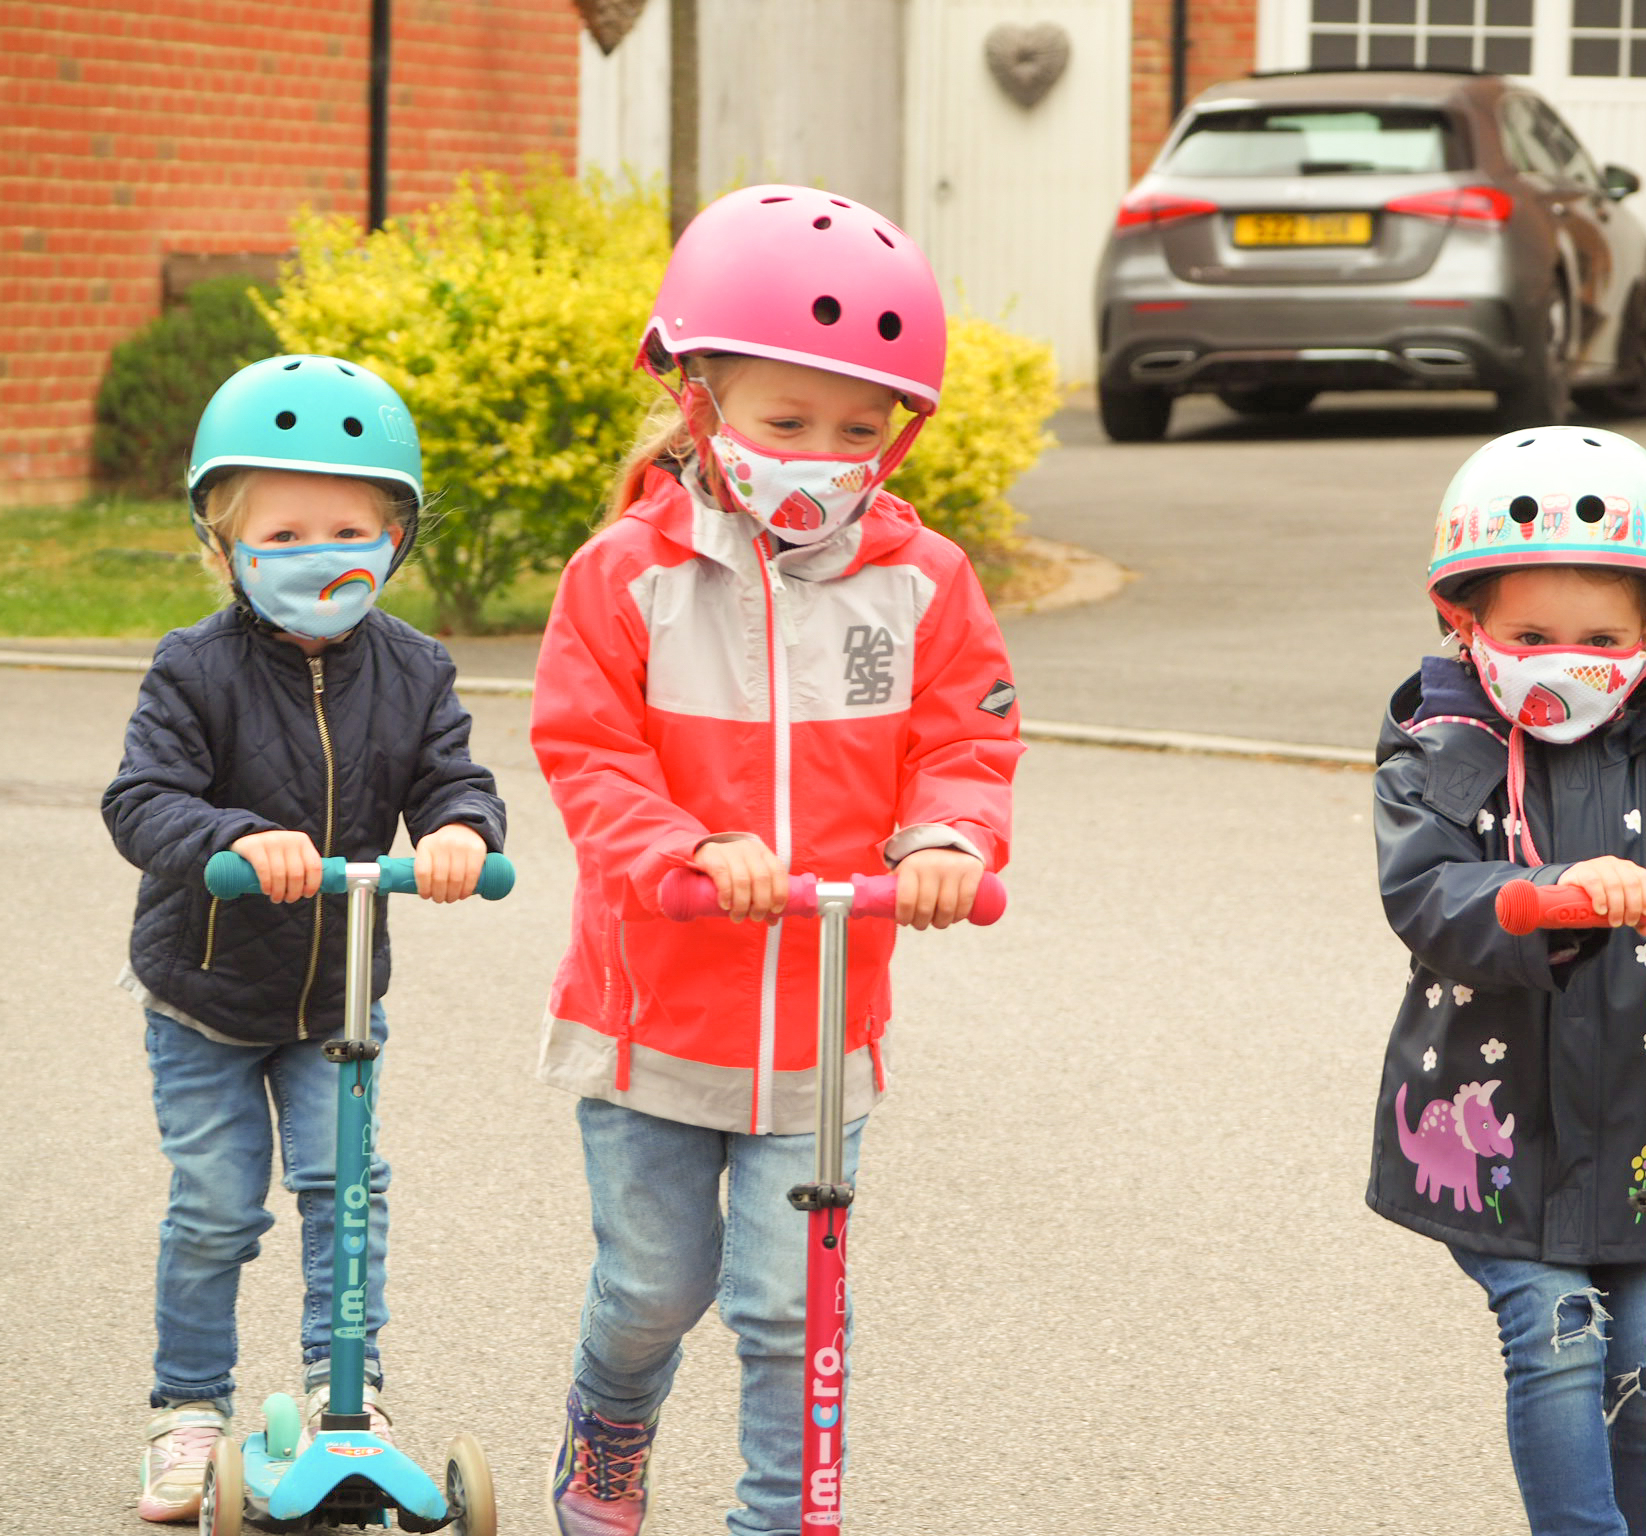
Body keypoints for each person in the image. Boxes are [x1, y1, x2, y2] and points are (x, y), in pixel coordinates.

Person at [530, 184, 1022, 1536]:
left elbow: (966, 743)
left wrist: (942, 840)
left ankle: (775, 1521)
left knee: (787, 1307)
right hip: (652, 1019)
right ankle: (609, 1431)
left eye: (858, 431)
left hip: (819, 1024)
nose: (821, 455)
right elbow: (588, 753)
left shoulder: (922, 582)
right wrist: (688, 846)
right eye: (785, 422)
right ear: (699, 403)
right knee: (652, 1290)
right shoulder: (624, 576)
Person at [1365, 426, 1646, 1536]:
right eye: (1529, 633)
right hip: (1496, 1136)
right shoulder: (1441, 753)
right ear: (1462, 622)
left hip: (1634, 1132)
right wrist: (1542, 893)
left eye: (1600, 635)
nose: (1563, 658)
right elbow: (1425, 896)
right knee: (1558, 1333)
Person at [101, 355, 506, 1524]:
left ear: (393, 538)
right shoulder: (194, 669)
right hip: (207, 996)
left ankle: (350, 1398)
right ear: (223, 549)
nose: (320, 552)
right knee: (220, 1205)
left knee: (347, 1192)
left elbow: (452, 778)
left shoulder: (417, 669)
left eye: (348, 526)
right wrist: (235, 836)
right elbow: (140, 802)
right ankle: (187, 1411)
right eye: (283, 530)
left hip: (335, 1002)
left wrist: (462, 835)